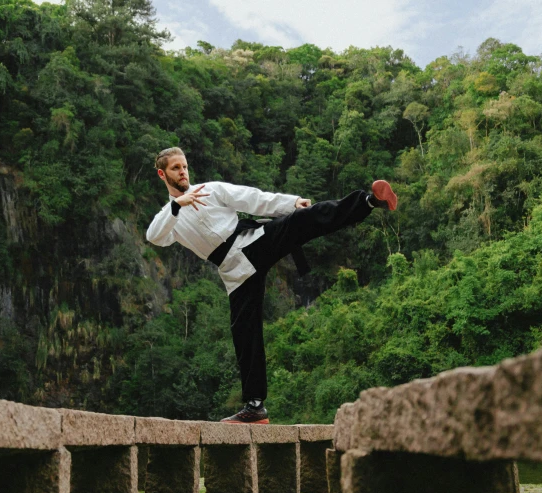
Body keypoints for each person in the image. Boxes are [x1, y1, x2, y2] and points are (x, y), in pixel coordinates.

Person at [146, 147, 397, 424]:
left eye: (184, 166)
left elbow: (252, 199)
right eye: (175, 168)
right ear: (162, 174)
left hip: (253, 242)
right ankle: (255, 407)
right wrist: (177, 205)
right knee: (244, 333)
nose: (183, 172)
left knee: (304, 219)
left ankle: (369, 201)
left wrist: (291, 203)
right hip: (234, 272)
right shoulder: (170, 218)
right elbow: (154, 236)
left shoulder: (211, 190)